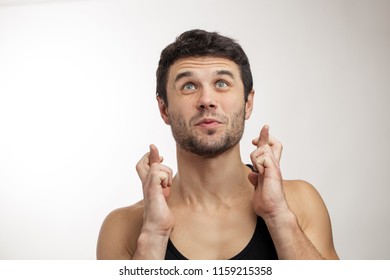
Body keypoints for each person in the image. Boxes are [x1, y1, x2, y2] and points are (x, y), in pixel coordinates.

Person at [96, 29, 339, 260]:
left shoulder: (300, 203)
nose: (207, 100)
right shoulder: (124, 227)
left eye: (222, 83)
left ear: (248, 103)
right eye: (189, 86)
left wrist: (278, 217)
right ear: (164, 109)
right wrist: (153, 235)